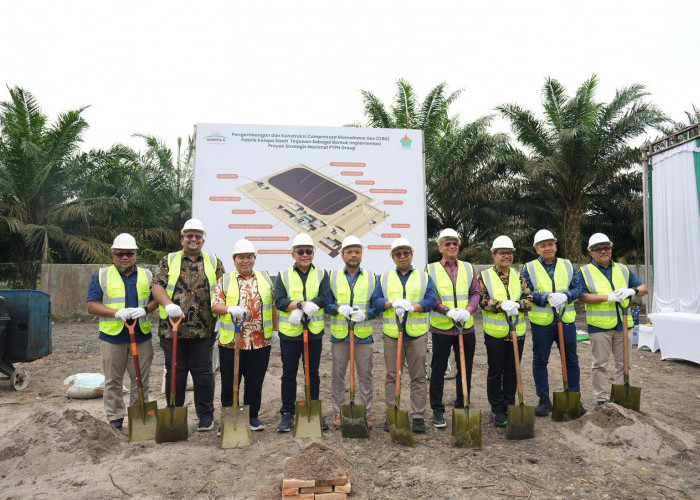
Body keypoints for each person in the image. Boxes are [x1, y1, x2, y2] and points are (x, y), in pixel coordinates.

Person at [151, 218, 225, 432]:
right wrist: (167, 304)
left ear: (203, 240)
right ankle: (174, 414)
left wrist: (221, 317)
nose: (193, 239)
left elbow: (223, 290)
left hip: (204, 329)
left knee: (203, 374)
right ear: (182, 238)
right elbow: (157, 286)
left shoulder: (214, 261)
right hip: (172, 328)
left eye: (197, 236)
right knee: (175, 373)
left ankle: (206, 416)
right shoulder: (168, 260)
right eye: (189, 235)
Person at [86, 233, 157, 429]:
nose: (125, 257)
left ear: (136, 254)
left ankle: (138, 417)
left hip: (141, 336)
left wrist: (145, 309)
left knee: (141, 380)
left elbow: (156, 300)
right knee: (113, 380)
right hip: (112, 337)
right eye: (120, 254)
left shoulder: (148, 275)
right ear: (112, 254)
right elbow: (92, 306)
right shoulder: (101, 275)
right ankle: (115, 418)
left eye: (129, 253)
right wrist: (116, 313)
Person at [211, 239, 279, 432]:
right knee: (229, 383)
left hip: (259, 342)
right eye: (241, 257)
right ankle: (228, 418)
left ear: (254, 259)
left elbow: (273, 306)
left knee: (255, 382)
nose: (245, 260)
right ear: (234, 260)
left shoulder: (265, 278)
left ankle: (252, 417)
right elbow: (215, 306)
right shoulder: (225, 280)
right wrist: (228, 309)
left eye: (249, 257)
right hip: (232, 343)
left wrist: (275, 329)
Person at [374, 237, 437, 434]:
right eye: (398, 254)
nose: (402, 257)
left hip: (417, 335)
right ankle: (392, 413)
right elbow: (376, 300)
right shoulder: (384, 278)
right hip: (392, 335)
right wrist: (392, 304)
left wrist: (414, 307)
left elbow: (432, 300)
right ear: (393, 257)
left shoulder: (424, 277)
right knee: (393, 375)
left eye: (406, 253)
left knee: (418, 376)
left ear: (412, 255)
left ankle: (417, 416)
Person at [577, 233, 648, 406]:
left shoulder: (622, 269)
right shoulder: (584, 272)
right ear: (591, 253)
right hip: (599, 327)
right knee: (600, 364)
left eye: (606, 247)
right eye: (598, 249)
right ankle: (601, 399)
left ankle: (622, 397)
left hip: (623, 324)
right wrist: (607, 298)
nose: (603, 251)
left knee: (624, 364)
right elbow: (581, 296)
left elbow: (643, 288)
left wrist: (632, 291)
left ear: (611, 248)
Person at [521, 229, 586, 417]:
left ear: (556, 246)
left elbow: (579, 288)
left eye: (550, 244)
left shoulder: (567, 265)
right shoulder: (529, 268)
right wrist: (548, 298)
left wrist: (565, 295)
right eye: (543, 245)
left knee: (571, 360)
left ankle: (574, 397)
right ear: (537, 249)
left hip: (566, 321)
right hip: (542, 323)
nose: (547, 248)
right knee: (540, 361)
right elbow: (527, 293)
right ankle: (544, 400)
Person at [274, 233, 331, 432]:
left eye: (308, 251)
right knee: (288, 374)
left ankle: (313, 409)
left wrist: (308, 305)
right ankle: (287, 412)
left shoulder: (322, 273)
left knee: (312, 373)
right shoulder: (283, 275)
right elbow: (279, 301)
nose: (305, 255)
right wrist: (299, 305)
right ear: (293, 254)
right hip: (290, 334)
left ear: (313, 253)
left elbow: (325, 298)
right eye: (300, 251)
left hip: (313, 332)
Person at [426, 228, 480, 429]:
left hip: (466, 327)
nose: (451, 246)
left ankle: (462, 403)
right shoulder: (430, 269)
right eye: (447, 243)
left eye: (454, 243)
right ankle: (437, 409)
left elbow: (475, 293)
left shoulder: (468, 268)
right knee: (438, 369)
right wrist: (446, 311)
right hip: (442, 328)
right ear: (439, 247)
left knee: (465, 367)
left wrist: (468, 310)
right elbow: (430, 296)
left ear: (459, 246)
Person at [326, 235, 382, 429]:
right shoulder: (333, 277)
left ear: (361, 255)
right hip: (340, 335)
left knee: (365, 375)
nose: (353, 255)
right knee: (338, 374)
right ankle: (339, 412)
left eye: (357, 251)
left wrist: (366, 315)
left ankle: (366, 412)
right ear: (342, 255)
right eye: (349, 252)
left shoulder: (372, 278)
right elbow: (326, 303)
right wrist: (337, 309)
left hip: (363, 335)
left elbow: (377, 306)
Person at [479, 235, 533, 427]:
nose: (506, 256)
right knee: (496, 371)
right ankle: (496, 408)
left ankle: (510, 405)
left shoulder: (518, 276)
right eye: (502, 253)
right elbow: (482, 300)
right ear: (493, 254)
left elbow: (529, 299)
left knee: (512, 370)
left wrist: (517, 305)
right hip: (495, 333)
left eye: (509, 253)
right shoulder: (484, 276)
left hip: (517, 332)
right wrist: (501, 305)